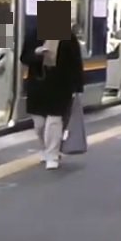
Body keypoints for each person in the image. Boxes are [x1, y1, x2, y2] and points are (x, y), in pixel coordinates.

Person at [20, 20, 85, 170]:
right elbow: (24, 57)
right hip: (38, 84)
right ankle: (45, 148)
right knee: (39, 124)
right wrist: (36, 54)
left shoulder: (68, 36)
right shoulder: (34, 33)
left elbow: (76, 62)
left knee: (54, 121)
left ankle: (52, 154)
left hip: (60, 85)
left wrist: (78, 87)